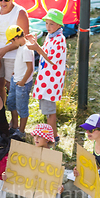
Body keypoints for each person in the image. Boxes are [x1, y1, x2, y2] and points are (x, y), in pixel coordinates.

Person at [27, 8, 66, 141]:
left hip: (51, 82)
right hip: (46, 79)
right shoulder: (51, 37)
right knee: (48, 112)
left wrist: (36, 47)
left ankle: (52, 138)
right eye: (47, 23)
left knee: (50, 113)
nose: (48, 27)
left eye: (52, 24)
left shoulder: (60, 39)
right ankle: (53, 136)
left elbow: (51, 59)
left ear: (59, 25)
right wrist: (36, 44)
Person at [0, 0, 29, 102]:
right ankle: (0, 111)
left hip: (13, 55)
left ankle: (14, 115)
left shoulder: (20, 12)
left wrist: (5, 50)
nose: (3, 2)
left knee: (10, 86)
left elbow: (24, 39)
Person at [5, 25, 34, 137]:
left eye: (12, 41)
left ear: (15, 38)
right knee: (11, 104)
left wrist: (22, 81)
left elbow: (30, 68)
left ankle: (21, 132)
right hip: (15, 79)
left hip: (22, 83)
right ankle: (14, 126)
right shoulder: (21, 47)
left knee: (22, 107)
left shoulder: (26, 49)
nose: (12, 43)